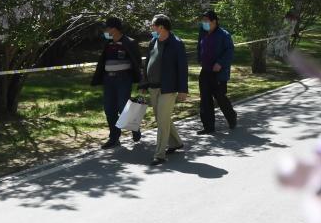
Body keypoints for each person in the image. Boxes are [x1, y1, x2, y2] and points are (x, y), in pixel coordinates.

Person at [140, 14, 188, 166]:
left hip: (168, 88)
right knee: (162, 118)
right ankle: (176, 143)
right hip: (153, 87)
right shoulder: (153, 41)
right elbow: (147, 63)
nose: (151, 28)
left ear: (161, 27)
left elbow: (182, 68)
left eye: (153, 25)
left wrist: (183, 90)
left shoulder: (176, 43)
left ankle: (159, 154)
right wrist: (143, 84)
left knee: (161, 121)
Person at [91, 16, 143, 149]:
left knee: (123, 106)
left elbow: (137, 63)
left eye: (107, 28)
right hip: (109, 80)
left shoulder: (129, 42)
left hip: (123, 79)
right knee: (109, 109)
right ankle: (114, 138)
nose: (105, 31)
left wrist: (141, 81)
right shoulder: (108, 43)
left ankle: (134, 127)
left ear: (114, 29)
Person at [197, 9, 237, 134]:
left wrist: (220, 63)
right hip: (205, 71)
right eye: (203, 21)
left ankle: (231, 117)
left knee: (220, 98)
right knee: (205, 99)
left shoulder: (223, 35)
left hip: (219, 73)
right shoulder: (203, 32)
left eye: (206, 21)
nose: (204, 23)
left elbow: (229, 52)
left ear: (214, 21)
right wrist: (200, 58)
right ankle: (208, 127)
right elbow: (200, 46)